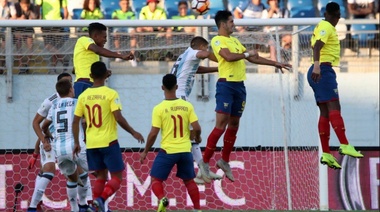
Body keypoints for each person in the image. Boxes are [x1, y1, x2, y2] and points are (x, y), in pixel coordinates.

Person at [198, 10, 291, 183]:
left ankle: (224, 160)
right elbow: (228, 57)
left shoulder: (234, 40)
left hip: (239, 86)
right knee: (221, 124)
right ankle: (204, 162)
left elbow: (253, 58)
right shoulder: (217, 40)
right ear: (223, 24)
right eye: (231, 21)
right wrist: (247, 54)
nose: (234, 24)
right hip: (226, 85)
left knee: (234, 124)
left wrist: (275, 63)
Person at [73, 61, 145, 212]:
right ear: (106, 74)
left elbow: (76, 121)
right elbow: (118, 118)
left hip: (92, 143)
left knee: (101, 177)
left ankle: (97, 208)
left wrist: (77, 142)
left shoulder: (83, 96)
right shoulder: (111, 94)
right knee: (117, 178)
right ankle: (100, 200)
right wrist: (133, 132)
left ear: (91, 76)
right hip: (109, 142)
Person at [307, 2, 363, 170]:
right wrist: (317, 66)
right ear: (336, 15)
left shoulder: (321, 25)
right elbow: (317, 46)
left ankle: (326, 153)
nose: (338, 19)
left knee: (325, 111)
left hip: (318, 70)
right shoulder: (327, 26)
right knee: (334, 107)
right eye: (338, 17)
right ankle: (344, 144)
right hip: (322, 69)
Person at [140, 74, 202, 212]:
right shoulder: (187, 106)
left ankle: (163, 199)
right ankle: (198, 209)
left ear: (162, 87)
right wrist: (197, 137)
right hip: (185, 151)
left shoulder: (159, 108)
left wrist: (145, 151)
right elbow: (197, 127)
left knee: (156, 180)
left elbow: (153, 133)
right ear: (177, 87)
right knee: (189, 181)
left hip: (168, 151)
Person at [170, 36, 221, 184]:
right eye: (206, 48)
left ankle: (201, 171)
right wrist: (223, 60)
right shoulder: (194, 53)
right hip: (181, 98)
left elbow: (196, 69)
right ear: (199, 47)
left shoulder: (184, 55)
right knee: (193, 133)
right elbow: (202, 54)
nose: (206, 51)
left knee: (189, 135)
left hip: (175, 97)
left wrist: (217, 69)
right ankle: (198, 171)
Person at [27, 73, 75, 212]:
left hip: (67, 141)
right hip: (51, 141)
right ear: (58, 85)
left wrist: (35, 153)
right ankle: (32, 208)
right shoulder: (50, 101)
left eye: (70, 82)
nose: (69, 85)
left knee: (73, 173)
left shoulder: (74, 101)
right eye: (66, 82)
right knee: (49, 170)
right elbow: (37, 123)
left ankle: (75, 205)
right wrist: (42, 141)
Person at [40, 79, 90, 212]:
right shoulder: (77, 102)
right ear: (70, 90)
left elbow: (44, 126)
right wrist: (85, 136)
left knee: (73, 179)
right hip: (76, 147)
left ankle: (75, 209)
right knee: (99, 172)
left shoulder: (54, 105)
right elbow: (84, 122)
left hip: (60, 150)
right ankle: (88, 204)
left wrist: (48, 134)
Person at [73, 22, 134, 98]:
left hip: (91, 85)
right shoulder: (84, 40)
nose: (106, 40)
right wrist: (121, 56)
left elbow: (77, 68)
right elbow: (98, 50)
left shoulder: (90, 53)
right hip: (84, 83)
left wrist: (102, 74)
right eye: (104, 37)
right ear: (95, 36)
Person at [35, 0, 69, 72]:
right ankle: (63, 59)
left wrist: (65, 22)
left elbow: (65, 9)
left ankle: (54, 69)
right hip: (46, 23)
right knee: (48, 45)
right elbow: (37, 6)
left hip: (58, 24)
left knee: (55, 47)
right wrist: (38, 19)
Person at [13, 0, 39, 74]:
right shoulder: (16, 6)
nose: (26, 8)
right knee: (18, 42)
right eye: (24, 6)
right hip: (17, 29)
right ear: (20, 4)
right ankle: (21, 65)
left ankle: (27, 65)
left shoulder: (32, 7)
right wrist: (20, 19)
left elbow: (36, 17)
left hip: (28, 29)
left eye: (28, 6)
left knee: (30, 45)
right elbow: (12, 17)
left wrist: (31, 16)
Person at [112, 0, 137, 67]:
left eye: (127, 4)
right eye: (123, 4)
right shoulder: (116, 12)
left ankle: (132, 56)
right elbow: (115, 19)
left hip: (128, 28)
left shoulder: (131, 13)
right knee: (116, 33)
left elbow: (132, 23)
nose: (125, 5)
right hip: (119, 27)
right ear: (120, 4)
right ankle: (118, 54)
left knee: (133, 33)